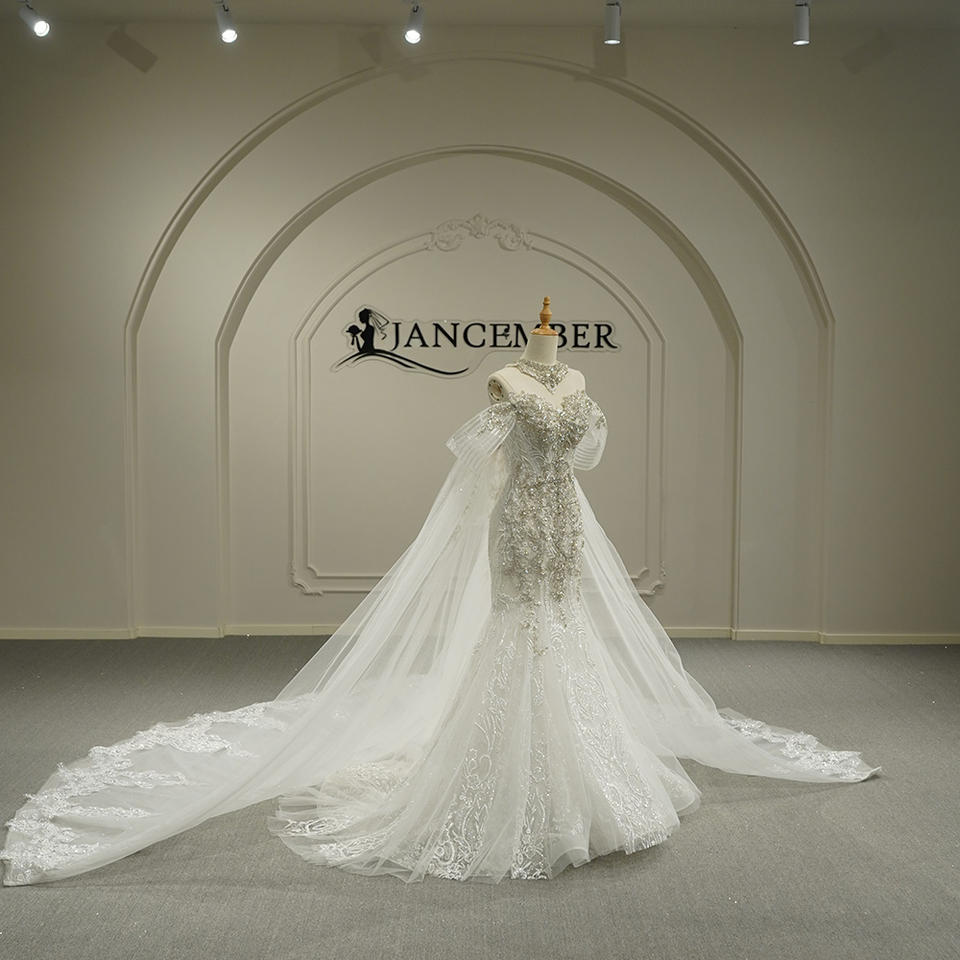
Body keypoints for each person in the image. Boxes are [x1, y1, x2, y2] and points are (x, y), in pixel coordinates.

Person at [0, 300, 879, 886]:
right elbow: (474, 465)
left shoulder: (577, 382)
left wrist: (548, 476)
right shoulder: (504, 381)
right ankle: (502, 777)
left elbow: (584, 453)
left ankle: (584, 775)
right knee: (519, 629)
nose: (551, 351)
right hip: (519, 519)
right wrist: (490, 516)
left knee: (564, 627)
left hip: (566, 518)